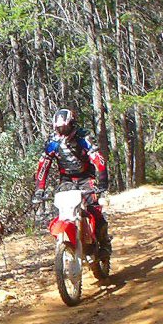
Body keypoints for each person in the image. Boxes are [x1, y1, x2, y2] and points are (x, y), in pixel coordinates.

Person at [32, 107, 112, 257]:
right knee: (63, 208)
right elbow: (44, 164)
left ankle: (104, 243)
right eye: (59, 127)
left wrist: (102, 183)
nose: (62, 130)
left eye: (65, 127)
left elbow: (98, 159)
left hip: (86, 177)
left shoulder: (84, 137)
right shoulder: (52, 142)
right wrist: (39, 188)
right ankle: (68, 241)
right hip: (67, 180)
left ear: (72, 124)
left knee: (94, 207)